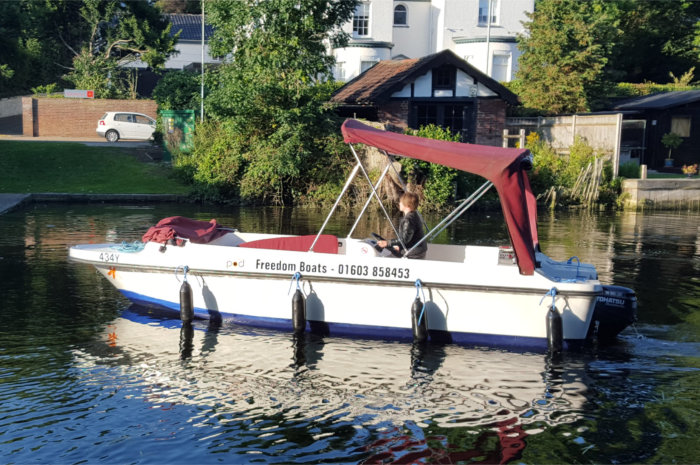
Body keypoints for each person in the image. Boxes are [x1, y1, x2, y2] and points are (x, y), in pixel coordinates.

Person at [377, 192, 427, 259]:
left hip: (414, 252)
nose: (399, 204)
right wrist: (398, 246)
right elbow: (408, 239)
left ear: (407, 205)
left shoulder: (408, 220)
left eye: (401, 202)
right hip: (417, 250)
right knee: (391, 251)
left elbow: (404, 240)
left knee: (387, 256)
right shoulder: (414, 215)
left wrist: (387, 243)